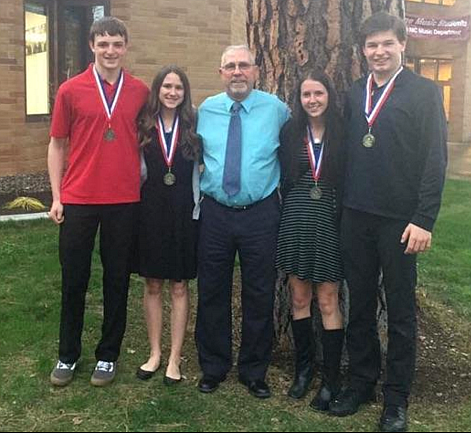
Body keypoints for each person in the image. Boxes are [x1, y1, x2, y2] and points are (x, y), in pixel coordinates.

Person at [328, 12, 447, 432]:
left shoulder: (425, 93)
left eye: (386, 44)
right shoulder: (355, 91)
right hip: (356, 217)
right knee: (358, 304)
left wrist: (424, 218)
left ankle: (396, 399)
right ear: (363, 51)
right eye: (372, 46)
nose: (379, 52)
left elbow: (435, 160)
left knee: (399, 312)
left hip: (400, 223)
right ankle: (361, 382)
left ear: (402, 46)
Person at [48, 17, 149, 387]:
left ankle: (108, 355)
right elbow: (57, 144)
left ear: (125, 47)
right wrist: (57, 196)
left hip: (124, 200)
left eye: (117, 44)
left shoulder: (139, 91)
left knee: (117, 279)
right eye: (103, 43)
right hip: (78, 199)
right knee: (74, 279)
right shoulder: (70, 91)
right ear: (92, 45)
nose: (110, 51)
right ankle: (68, 355)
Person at [195, 45, 290, 398]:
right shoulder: (206, 110)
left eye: (244, 66)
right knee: (212, 291)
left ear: (256, 71)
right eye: (230, 66)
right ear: (221, 73)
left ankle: (254, 370)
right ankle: (214, 365)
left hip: (261, 215)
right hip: (216, 214)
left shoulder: (277, 111)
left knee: (259, 293)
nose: (237, 72)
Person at [276, 71, 345, 409]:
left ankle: (331, 379)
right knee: (299, 296)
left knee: (328, 299)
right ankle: (303, 370)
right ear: (299, 99)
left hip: (329, 220)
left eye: (318, 93)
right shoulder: (290, 132)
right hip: (295, 218)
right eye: (306, 94)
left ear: (328, 95)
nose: (312, 100)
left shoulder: (343, 132)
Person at [135, 65, 200, 385]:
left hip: (185, 215)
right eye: (167, 86)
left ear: (185, 93)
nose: (172, 92)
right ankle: (155, 353)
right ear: (157, 90)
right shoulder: (144, 125)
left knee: (178, 285)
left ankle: (175, 357)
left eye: (179, 87)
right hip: (150, 214)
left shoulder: (194, 126)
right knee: (152, 284)